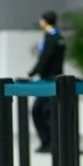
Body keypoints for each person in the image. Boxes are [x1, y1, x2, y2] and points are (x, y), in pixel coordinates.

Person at [29, 10, 65, 152]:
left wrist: (32, 73)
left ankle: (50, 142)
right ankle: (50, 142)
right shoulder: (59, 38)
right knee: (45, 112)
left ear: (44, 21)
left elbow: (45, 58)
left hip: (49, 80)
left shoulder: (51, 39)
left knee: (41, 112)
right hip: (53, 79)